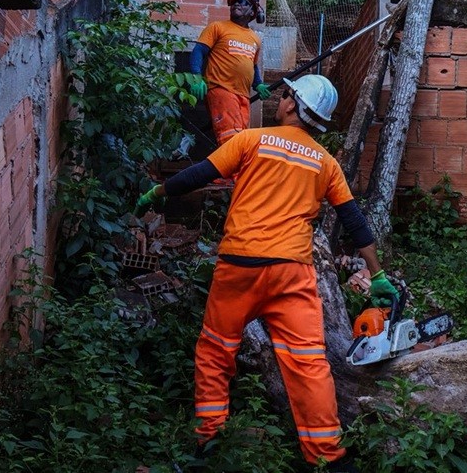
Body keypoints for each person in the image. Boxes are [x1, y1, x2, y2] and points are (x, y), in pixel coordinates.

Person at [137, 75, 398, 472]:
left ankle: (209, 439)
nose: (281, 98)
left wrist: (157, 192)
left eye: (287, 95)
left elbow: (197, 176)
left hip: (240, 265)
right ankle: (328, 458)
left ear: (293, 106)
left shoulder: (251, 140)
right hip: (292, 272)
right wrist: (377, 275)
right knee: (308, 362)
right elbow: (355, 222)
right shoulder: (326, 163)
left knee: (215, 349)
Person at [186, 0, 273, 146]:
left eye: (242, 2)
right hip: (221, 88)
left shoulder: (255, 39)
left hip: (243, 95)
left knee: (240, 137)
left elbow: (252, 66)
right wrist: (196, 77)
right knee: (231, 140)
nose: (236, 4)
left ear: (253, 11)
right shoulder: (218, 27)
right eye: (233, 2)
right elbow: (198, 51)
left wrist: (258, 84)